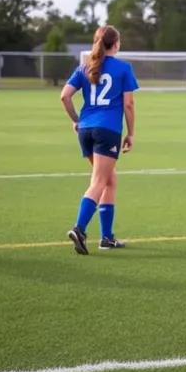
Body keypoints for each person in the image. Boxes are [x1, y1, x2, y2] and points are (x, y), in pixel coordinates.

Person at [60, 25, 138, 254]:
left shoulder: (85, 67)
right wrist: (131, 133)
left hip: (86, 130)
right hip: (107, 130)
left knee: (109, 179)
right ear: (116, 43)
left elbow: (64, 96)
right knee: (99, 182)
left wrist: (76, 120)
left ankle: (107, 238)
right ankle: (79, 228)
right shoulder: (123, 68)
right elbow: (129, 104)